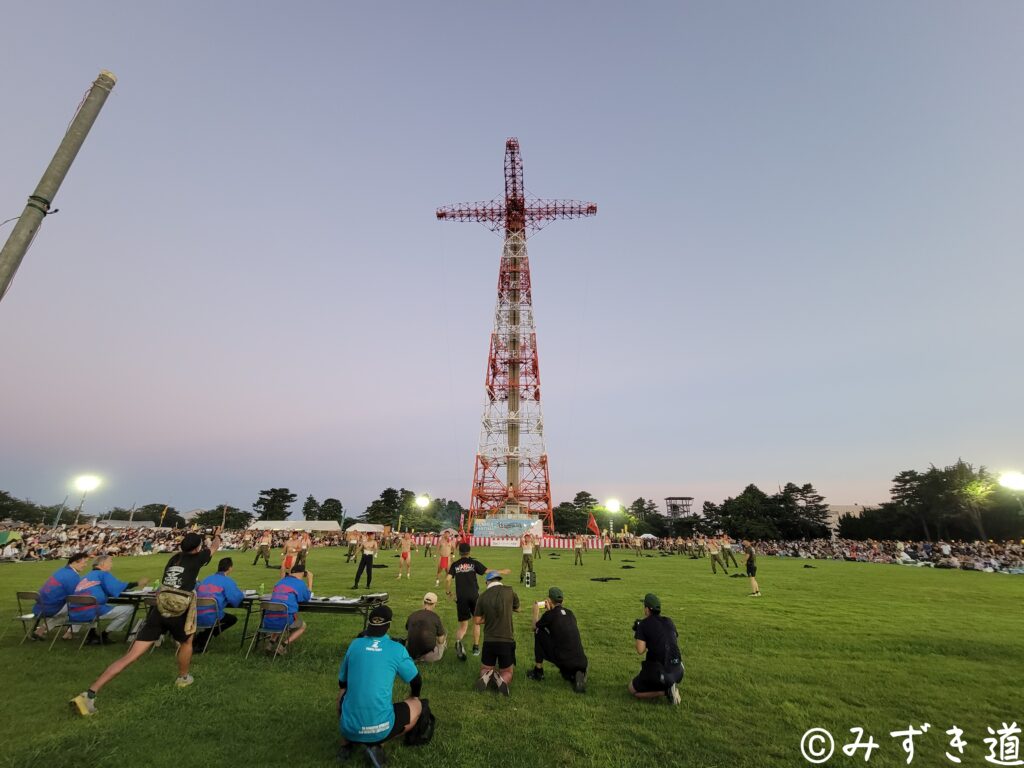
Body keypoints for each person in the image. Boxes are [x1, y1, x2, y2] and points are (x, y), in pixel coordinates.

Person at [69, 531, 219, 716]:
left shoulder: (174, 559)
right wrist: (217, 535)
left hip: (159, 608)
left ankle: (90, 693)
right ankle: (183, 677)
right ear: (197, 548)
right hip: (178, 609)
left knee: (130, 656)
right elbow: (214, 548)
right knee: (187, 642)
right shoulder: (197, 558)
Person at [337, 605, 425, 765]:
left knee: (343, 692)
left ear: (369, 625)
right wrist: (414, 695)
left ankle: (346, 744)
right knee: (417, 704)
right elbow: (416, 680)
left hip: (348, 727)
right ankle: (376, 742)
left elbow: (342, 682)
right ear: (389, 625)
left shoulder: (355, 644)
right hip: (381, 728)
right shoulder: (396, 649)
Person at [70, 555, 148, 645]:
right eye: (110, 562)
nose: (111, 564)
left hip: (75, 612)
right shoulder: (103, 574)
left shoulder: (86, 576)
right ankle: (104, 635)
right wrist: (138, 583)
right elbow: (117, 587)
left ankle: (92, 635)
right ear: (102, 564)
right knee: (129, 608)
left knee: (96, 605)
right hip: (91, 611)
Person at [526, 586, 588, 693]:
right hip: (582, 660)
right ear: (562, 600)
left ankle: (538, 672)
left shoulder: (549, 615)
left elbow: (534, 627)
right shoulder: (570, 613)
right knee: (566, 648)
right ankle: (576, 674)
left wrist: (535, 611)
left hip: (563, 658)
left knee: (539, 632)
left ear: (549, 600)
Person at [628, 593, 684, 705]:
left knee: (632, 690)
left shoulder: (643, 624)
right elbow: (670, 638)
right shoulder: (669, 621)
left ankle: (666, 691)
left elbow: (640, 650)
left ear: (647, 609)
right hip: (678, 669)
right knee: (661, 669)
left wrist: (639, 631)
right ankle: (669, 684)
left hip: (660, 672)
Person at [473, 570, 520, 695]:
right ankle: (502, 679)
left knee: (485, 668)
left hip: (489, 640)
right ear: (500, 580)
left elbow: (477, 620)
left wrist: (489, 616)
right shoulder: (510, 591)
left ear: (487, 582)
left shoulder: (482, 596)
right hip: (506, 640)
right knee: (508, 671)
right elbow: (518, 608)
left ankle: (486, 676)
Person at [445, 542, 492, 660]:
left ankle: (458, 642)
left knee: (463, 626)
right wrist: (501, 571)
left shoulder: (455, 564)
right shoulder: (473, 562)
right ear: (469, 552)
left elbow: (448, 579)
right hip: (474, 596)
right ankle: (476, 648)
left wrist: (449, 592)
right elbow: (487, 571)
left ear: (459, 552)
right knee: (477, 622)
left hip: (461, 597)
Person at [30, 552, 91, 640]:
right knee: (84, 606)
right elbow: (76, 596)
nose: (86, 565)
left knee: (68, 611)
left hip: (39, 607)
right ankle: (70, 633)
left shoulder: (61, 571)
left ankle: (41, 630)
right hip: (52, 608)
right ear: (74, 562)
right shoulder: (72, 576)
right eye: (84, 562)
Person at [194, 557, 245, 651]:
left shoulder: (207, 579)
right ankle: (207, 635)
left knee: (218, 618)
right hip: (211, 614)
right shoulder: (227, 581)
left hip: (195, 614)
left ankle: (204, 636)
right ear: (230, 568)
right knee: (232, 619)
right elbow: (235, 600)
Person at [264, 563, 314, 654]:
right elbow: (306, 597)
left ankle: (271, 643)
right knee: (302, 625)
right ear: (303, 573)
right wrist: (310, 581)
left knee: (279, 616)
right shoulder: (300, 583)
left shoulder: (280, 581)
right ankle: (283, 646)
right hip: (284, 619)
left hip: (268, 619)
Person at [404, 592, 447, 663]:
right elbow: (440, 640)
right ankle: (423, 658)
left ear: (423, 602)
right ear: (434, 604)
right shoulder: (435, 617)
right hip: (429, 656)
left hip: (410, 653)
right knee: (443, 635)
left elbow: (408, 629)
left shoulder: (412, 615)